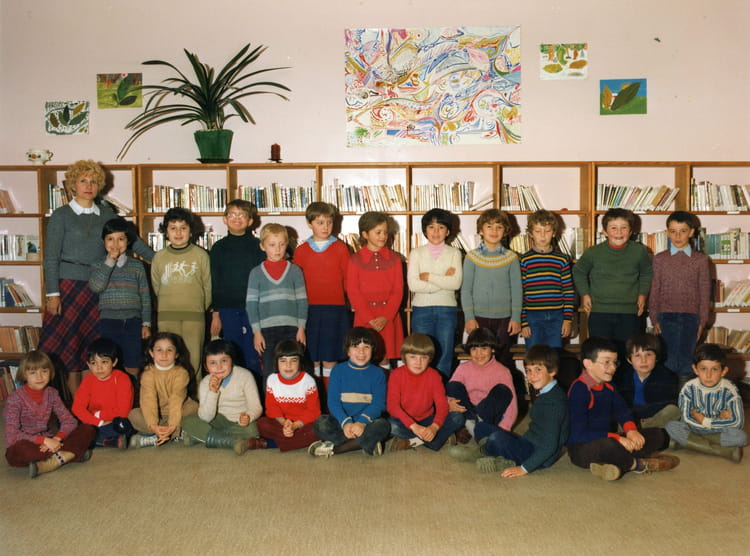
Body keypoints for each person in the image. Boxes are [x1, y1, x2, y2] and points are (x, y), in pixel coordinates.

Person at [40, 159, 153, 396]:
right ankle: (76, 407)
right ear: (73, 185)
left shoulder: (106, 213)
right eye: (83, 181)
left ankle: (94, 401)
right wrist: (53, 294)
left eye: (93, 181)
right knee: (70, 348)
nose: (88, 186)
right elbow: (50, 258)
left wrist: (162, 260)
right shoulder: (61, 215)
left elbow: (132, 241)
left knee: (91, 347)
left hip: (100, 286)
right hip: (68, 287)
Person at [567, 337, 679, 481]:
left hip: (609, 439)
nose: (613, 367)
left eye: (615, 362)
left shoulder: (609, 385)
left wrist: (631, 430)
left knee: (659, 435)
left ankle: (611, 465)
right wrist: (617, 438)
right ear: (588, 363)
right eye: (606, 362)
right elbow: (579, 434)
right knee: (609, 445)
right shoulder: (579, 389)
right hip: (582, 448)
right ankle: (637, 465)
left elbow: (622, 411)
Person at [474, 344, 569, 477]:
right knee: (481, 427)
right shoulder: (547, 392)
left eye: (538, 369)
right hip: (528, 443)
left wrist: (524, 469)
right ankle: (490, 451)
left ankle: (486, 453)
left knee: (497, 438)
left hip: (538, 455)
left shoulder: (554, 402)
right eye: (528, 370)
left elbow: (550, 445)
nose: (532, 375)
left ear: (552, 371)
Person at [3, 350, 95, 478]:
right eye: (33, 372)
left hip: (51, 440)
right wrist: (44, 441)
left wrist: (56, 439)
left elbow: (69, 421)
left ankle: (54, 460)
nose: (39, 377)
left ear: (51, 372)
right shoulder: (14, 399)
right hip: (27, 442)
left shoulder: (52, 393)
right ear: (24, 374)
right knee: (17, 452)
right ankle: (71, 454)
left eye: (44, 371)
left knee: (88, 429)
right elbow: (12, 434)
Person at [572, 208, 652, 353]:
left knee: (627, 354)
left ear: (631, 231)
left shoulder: (639, 251)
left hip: (630, 312)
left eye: (624, 228)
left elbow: (646, 273)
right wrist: (585, 294)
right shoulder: (593, 252)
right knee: (601, 354)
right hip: (600, 312)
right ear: (604, 231)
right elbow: (578, 271)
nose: (619, 232)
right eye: (613, 228)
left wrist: (642, 294)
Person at [649, 211, 711, 387]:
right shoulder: (660, 259)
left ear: (691, 232)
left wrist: (702, 322)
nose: (678, 236)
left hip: (691, 317)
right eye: (673, 231)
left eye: (683, 231)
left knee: (685, 359)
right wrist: (654, 318)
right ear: (667, 233)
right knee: (666, 359)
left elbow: (705, 292)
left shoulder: (700, 260)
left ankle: (684, 398)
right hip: (665, 316)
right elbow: (655, 290)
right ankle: (668, 400)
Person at [309, 327, 389, 457]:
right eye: (355, 347)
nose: (361, 352)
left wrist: (361, 423)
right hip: (342, 423)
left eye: (366, 347)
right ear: (347, 350)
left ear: (373, 349)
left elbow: (378, 404)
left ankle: (335, 449)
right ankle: (366, 442)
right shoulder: (338, 370)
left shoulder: (378, 373)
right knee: (321, 423)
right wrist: (346, 423)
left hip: (367, 423)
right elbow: (333, 402)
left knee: (383, 425)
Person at [293, 202, 350, 383]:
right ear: (309, 223)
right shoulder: (301, 251)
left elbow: (347, 279)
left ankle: (329, 394)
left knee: (330, 356)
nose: (325, 227)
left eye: (329, 222)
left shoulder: (340, 248)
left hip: (335, 309)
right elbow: (297, 283)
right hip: (309, 309)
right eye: (320, 222)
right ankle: (315, 393)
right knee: (312, 356)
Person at [151, 207, 211, 378]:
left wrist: (199, 309)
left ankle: (194, 392)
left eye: (183, 228)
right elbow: (156, 286)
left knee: (194, 358)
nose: (178, 233)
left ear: (191, 231)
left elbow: (207, 287)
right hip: (167, 317)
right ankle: (170, 392)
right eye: (173, 228)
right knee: (167, 358)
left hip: (194, 316)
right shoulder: (159, 257)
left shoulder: (201, 255)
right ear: (166, 232)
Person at [460, 208, 521, 374]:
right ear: (481, 230)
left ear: (505, 231)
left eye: (499, 227)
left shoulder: (511, 258)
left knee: (503, 360)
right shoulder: (471, 257)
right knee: (480, 359)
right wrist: (469, 317)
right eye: (489, 226)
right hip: (478, 318)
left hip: (505, 319)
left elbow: (517, 290)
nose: (494, 231)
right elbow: (466, 290)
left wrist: (516, 318)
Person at [88, 217, 152, 376]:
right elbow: (96, 287)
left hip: (133, 321)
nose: (115, 244)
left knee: (133, 363)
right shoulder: (98, 265)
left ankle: (133, 389)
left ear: (128, 241)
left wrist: (146, 323)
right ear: (103, 241)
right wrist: (110, 261)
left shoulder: (137, 266)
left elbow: (145, 296)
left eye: (121, 239)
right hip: (109, 321)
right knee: (110, 363)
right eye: (110, 239)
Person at [246, 222, 308, 383]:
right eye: (272, 245)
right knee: (269, 371)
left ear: (287, 244)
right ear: (262, 246)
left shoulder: (295, 271)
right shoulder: (256, 273)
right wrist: (256, 332)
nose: (277, 249)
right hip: (266, 331)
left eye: (281, 244)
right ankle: (270, 400)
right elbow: (251, 305)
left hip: (292, 329)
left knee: (293, 370)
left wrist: (301, 328)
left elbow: (302, 301)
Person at [209, 199, 265, 374]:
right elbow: (215, 282)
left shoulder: (258, 246)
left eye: (242, 215)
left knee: (254, 352)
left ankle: (254, 387)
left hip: (253, 309)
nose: (237, 218)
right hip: (227, 309)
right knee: (233, 353)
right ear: (225, 219)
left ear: (250, 221)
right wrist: (216, 314)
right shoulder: (218, 248)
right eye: (232, 214)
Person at [181, 339, 265, 455]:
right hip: (217, 419)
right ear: (206, 366)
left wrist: (249, 416)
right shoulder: (205, 383)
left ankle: (201, 437)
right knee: (188, 421)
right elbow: (205, 418)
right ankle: (232, 442)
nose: (219, 367)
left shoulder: (245, 376)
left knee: (254, 429)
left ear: (232, 361)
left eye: (224, 361)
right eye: (213, 363)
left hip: (240, 423)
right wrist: (213, 392)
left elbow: (256, 407)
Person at [665, 344, 746, 462]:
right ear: (695, 369)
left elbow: (737, 422)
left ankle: (688, 443)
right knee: (671, 426)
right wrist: (719, 419)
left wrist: (705, 421)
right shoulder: (688, 388)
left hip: (717, 430)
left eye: (714, 369)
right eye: (703, 369)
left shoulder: (730, 390)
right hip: (692, 428)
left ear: (724, 371)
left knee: (741, 437)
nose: (708, 375)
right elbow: (687, 418)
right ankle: (722, 451)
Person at [407, 208, 463, 377]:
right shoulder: (416, 253)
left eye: (441, 227)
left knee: (444, 354)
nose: (436, 232)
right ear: (425, 230)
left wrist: (429, 277)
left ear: (448, 231)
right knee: (421, 353)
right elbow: (413, 285)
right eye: (431, 227)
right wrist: (443, 279)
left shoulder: (454, 253)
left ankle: (441, 390)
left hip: (447, 309)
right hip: (421, 309)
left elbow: (455, 283)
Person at [386, 333, 464, 451]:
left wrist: (434, 427)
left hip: (428, 420)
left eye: (423, 357)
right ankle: (437, 440)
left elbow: (442, 404)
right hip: (405, 422)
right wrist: (414, 426)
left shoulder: (434, 376)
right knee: (389, 426)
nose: (418, 362)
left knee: (457, 417)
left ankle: (414, 441)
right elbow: (392, 406)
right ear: (404, 357)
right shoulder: (396, 375)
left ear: (430, 358)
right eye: (413, 357)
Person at [346, 211, 404, 366]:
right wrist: (369, 318)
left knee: (385, 356)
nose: (383, 236)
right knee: (363, 356)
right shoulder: (355, 260)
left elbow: (398, 291)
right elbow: (353, 292)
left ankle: (385, 381)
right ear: (365, 234)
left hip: (388, 317)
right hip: (365, 317)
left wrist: (386, 316)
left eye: (385, 232)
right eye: (378, 232)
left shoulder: (395, 259)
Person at [446, 327, 518, 451]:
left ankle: (472, 428)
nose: (479, 354)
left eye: (484, 349)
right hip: (468, 410)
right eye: (474, 349)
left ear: (493, 349)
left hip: (489, 414)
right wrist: (449, 403)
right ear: (469, 350)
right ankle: (472, 425)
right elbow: (450, 392)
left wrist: (504, 429)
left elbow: (512, 406)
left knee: (503, 390)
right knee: (453, 385)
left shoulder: (503, 371)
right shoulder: (463, 368)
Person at [128, 332, 199, 448]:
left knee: (193, 407)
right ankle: (173, 433)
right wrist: (153, 425)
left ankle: (156, 436)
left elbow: (176, 399)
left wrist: (173, 424)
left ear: (176, 354)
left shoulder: (181, 373)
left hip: (178, 411)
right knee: (133, 415)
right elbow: (148, 400)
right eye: (159, 350)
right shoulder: (148, 373)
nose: (164, 354)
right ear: (151, 353)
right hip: (155, 414)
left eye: (169, 350)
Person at [519, 209, 574, 349]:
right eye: (538, 231)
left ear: (554, 233)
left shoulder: (562, 259)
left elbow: (568, 291)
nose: (543, 235)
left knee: (554, 355)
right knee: (533, 354)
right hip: (532, 316)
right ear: (531, 234)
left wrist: (567, 319)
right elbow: (521, 293)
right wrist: (524, 322)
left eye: (547, 231)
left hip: (557, 316)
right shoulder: (524, 260)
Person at [256, 340, 322, 452]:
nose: (288, 365)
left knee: (319, 428)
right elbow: (271, 407)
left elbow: (313, 411)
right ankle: (294, 442)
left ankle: (273, 444)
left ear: (300, 362)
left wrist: (295, 425)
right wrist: (284, 423)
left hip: (302, 424)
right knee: (262, 424)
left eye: (293, 360)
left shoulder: (308, 381)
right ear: (276, 362)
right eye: (283, 361)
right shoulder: (272, 379)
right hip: (281, 423)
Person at [72, 338, 135, 449]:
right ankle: (109, 441)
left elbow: (123, 412)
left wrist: (99, 415)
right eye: (94, 363)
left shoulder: (122, 379)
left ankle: (97, 440)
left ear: (114, 362)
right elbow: (77, 408)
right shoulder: (88, 381)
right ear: (88, 365)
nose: (99, 367)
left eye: (104, 362)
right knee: (74, 426)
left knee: (125, 425)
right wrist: (98, 422)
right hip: (94, 422)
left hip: (116, 420)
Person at [615, 332, 679, 429]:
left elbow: (662, 404)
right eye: (638, 355)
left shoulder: (665, 376)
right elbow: (621, 404)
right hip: (631, 418)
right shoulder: (623, 376)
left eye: (648, 355)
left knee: (673, 410)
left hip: (653, 417)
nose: (643, 360)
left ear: (656, 357)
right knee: (621, 415)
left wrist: (643, 418)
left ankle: (642, 431)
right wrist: (635, 417)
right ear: (629, 359)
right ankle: (642, 432)